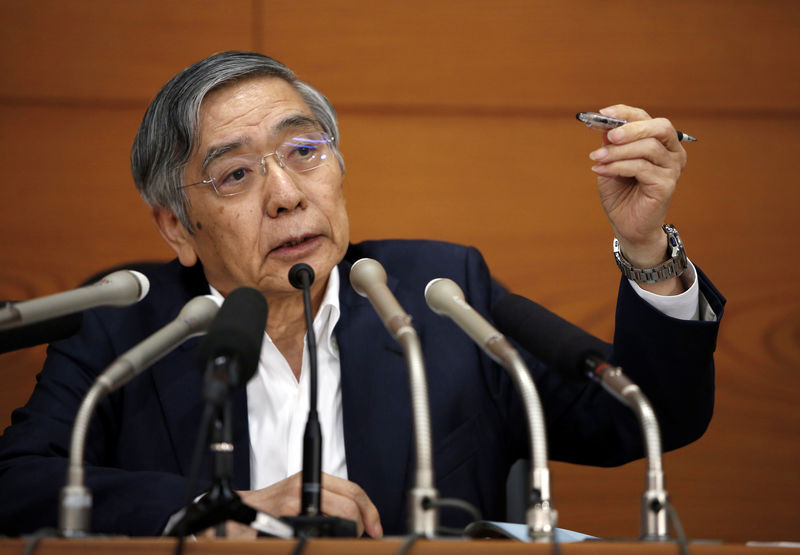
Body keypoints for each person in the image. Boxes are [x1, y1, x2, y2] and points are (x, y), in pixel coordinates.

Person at [0, 51, 724, 538]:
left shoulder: (439, 296)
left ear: (339, 165)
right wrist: (215, 511)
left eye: (304, 150)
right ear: (175, 225)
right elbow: (15, 482)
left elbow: (647, 417)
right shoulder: (123, 323)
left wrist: (647, 249)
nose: (286, 195)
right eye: (236, 175)